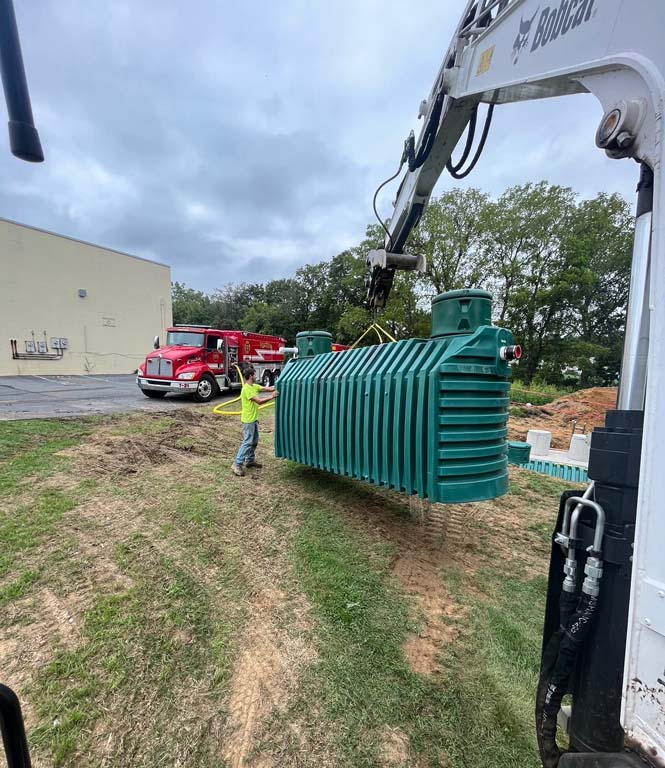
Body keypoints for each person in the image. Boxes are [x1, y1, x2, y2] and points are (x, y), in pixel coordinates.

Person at [231, 366, 278, 477]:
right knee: (248, 442)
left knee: (254, 441)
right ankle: (237, 464)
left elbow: (269, 388)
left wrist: (280, 384)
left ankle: (250, 461)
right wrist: (272, 397)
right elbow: (259, 401)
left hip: (254, 419)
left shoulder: (254, 386)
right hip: (248, 420)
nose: (256, 376)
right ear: (251, 376)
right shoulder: (246, 389)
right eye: (255, 374)